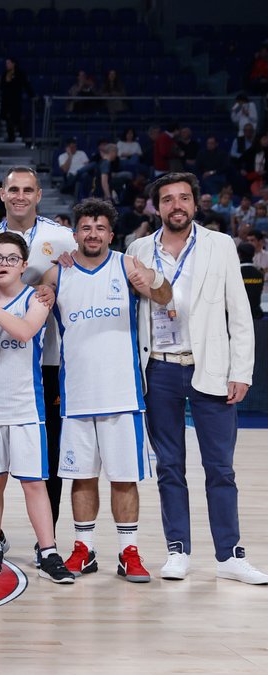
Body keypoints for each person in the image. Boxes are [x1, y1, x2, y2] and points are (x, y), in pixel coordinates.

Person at [128, 173, 268, 584]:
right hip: (159, 368)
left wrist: (241, 372)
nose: (177, 205)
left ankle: (229, 555)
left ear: (195, 203)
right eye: (168, 199)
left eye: (184, 198)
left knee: (220, 468)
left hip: (210, 367)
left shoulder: (220, 245)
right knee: (170, 466)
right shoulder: (137, 249)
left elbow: (240, 315)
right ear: (156, 206)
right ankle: (178, 550)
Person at [42, 198, 171, 582]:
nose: (93, 234)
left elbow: (165, 299)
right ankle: (84, 548)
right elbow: (24, 296)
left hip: (122, 394)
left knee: (123, 476)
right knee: (80, 476)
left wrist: (153, 281)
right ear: (75, 233)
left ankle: (128, 551)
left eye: (100, 228)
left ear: (110, 234)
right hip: (77, 395)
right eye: (86, 227)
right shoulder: (57, 273)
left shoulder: (126, 264)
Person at [0, 168, 77, 535]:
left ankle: (50, 535)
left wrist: (54, 282)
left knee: (48, 455)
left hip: (47, 358)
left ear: (39, 195)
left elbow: (85, 269)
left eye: (28, 190)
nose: (20, 196)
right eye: (14, 189)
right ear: (2, 194)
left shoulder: (62, 237)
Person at [0, 232, 75, 583]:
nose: (4, 264)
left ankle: (49, 551)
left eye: (12, 258)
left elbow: (25, 331)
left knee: (34, 484)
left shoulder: (36, 298)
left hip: (26, 407)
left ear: (24, 265)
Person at [238, 242, 264, 320]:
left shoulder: (235, 273)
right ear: (253, 255)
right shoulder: (259, 274)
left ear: (238, 255)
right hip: (256, 316)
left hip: (239, 317)